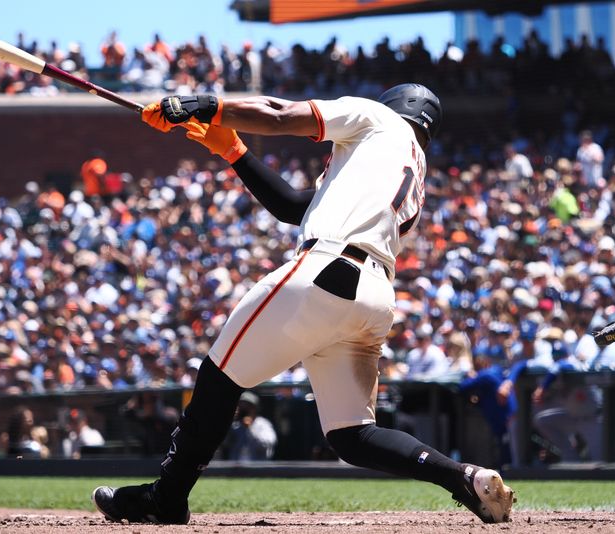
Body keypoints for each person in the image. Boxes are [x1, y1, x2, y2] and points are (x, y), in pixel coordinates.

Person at [92, 84, 514, 524]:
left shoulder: (373, 116)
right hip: (373, 296)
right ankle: (464, 476)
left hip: (326, 268)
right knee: (353, 435)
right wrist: (234, 150)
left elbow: (279, 114)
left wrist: (203, 105)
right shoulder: (409, 165)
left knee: (219, 377)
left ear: (392, 105)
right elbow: (296, 207)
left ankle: (167, 496)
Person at [222, 391, 277, 461]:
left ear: (255, 408)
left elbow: (267, 445)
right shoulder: (235, 425)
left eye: (247, 406)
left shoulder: (263, 424)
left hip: (258, 468)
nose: (244, 409)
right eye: (241, 406)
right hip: (235, 468)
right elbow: (225, 444)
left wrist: (250, 429)